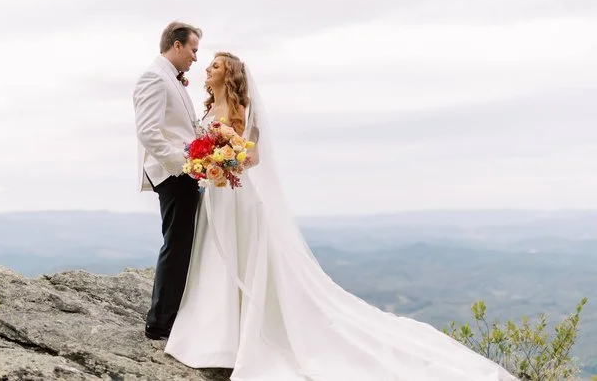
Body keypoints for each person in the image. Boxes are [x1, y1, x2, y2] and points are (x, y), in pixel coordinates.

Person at [165, 52, 517, 380]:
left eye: (214, 65)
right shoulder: (208, 111)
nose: (207, 68)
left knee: (245, 260)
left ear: (230, 75)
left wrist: (226, 160)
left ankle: (247, 332)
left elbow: (253, 159)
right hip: (216, 196)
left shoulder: (245, 109)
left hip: (240, 198)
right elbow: (196, 146)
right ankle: (215, 333)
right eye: (208, 64)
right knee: (214, 259)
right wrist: (205, 161)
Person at [132, 21, 202, 340]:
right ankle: (159, 322)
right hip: (174, 172)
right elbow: (148, 132)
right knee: (176, 244)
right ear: (176, 45)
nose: (195, 57)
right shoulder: (153, 77)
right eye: (193, 49)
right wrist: (183, 164)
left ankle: (169, 315)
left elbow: (184, 128)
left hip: (185, 170)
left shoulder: (172, 79)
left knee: (183, 242)